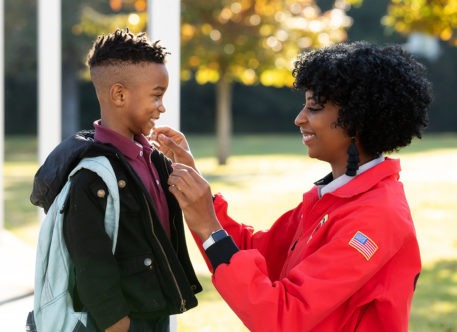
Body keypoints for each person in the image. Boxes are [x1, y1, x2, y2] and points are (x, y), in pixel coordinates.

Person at [152, 41, 432, 331]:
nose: (299, 118)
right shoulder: (335, 197)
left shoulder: (375, 217)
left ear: (356, 120)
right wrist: (198, 194)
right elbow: (254, 252)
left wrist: (209, 226)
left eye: (314, 107)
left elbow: (282, 316)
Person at [30, 28, 201, 332]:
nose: (162, 107)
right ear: (119, 94)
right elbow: (91, 260)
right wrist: (116, 322)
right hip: (117, 323)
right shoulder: (91, 176)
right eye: (157, 96)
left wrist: (184, 165)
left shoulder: (156, 160)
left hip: (156, 311)